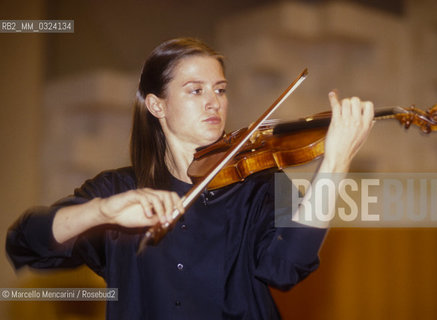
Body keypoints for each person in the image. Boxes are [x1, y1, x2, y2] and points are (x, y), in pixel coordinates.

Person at [6, 37, 374, 319]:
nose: (213, 102)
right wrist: (101, 212)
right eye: (196, 90)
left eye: (220, 89)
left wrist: (335, 162)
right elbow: (25, 242)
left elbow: (287, 268)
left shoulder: (260, 185)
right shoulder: (119, 190)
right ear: (157, 105)